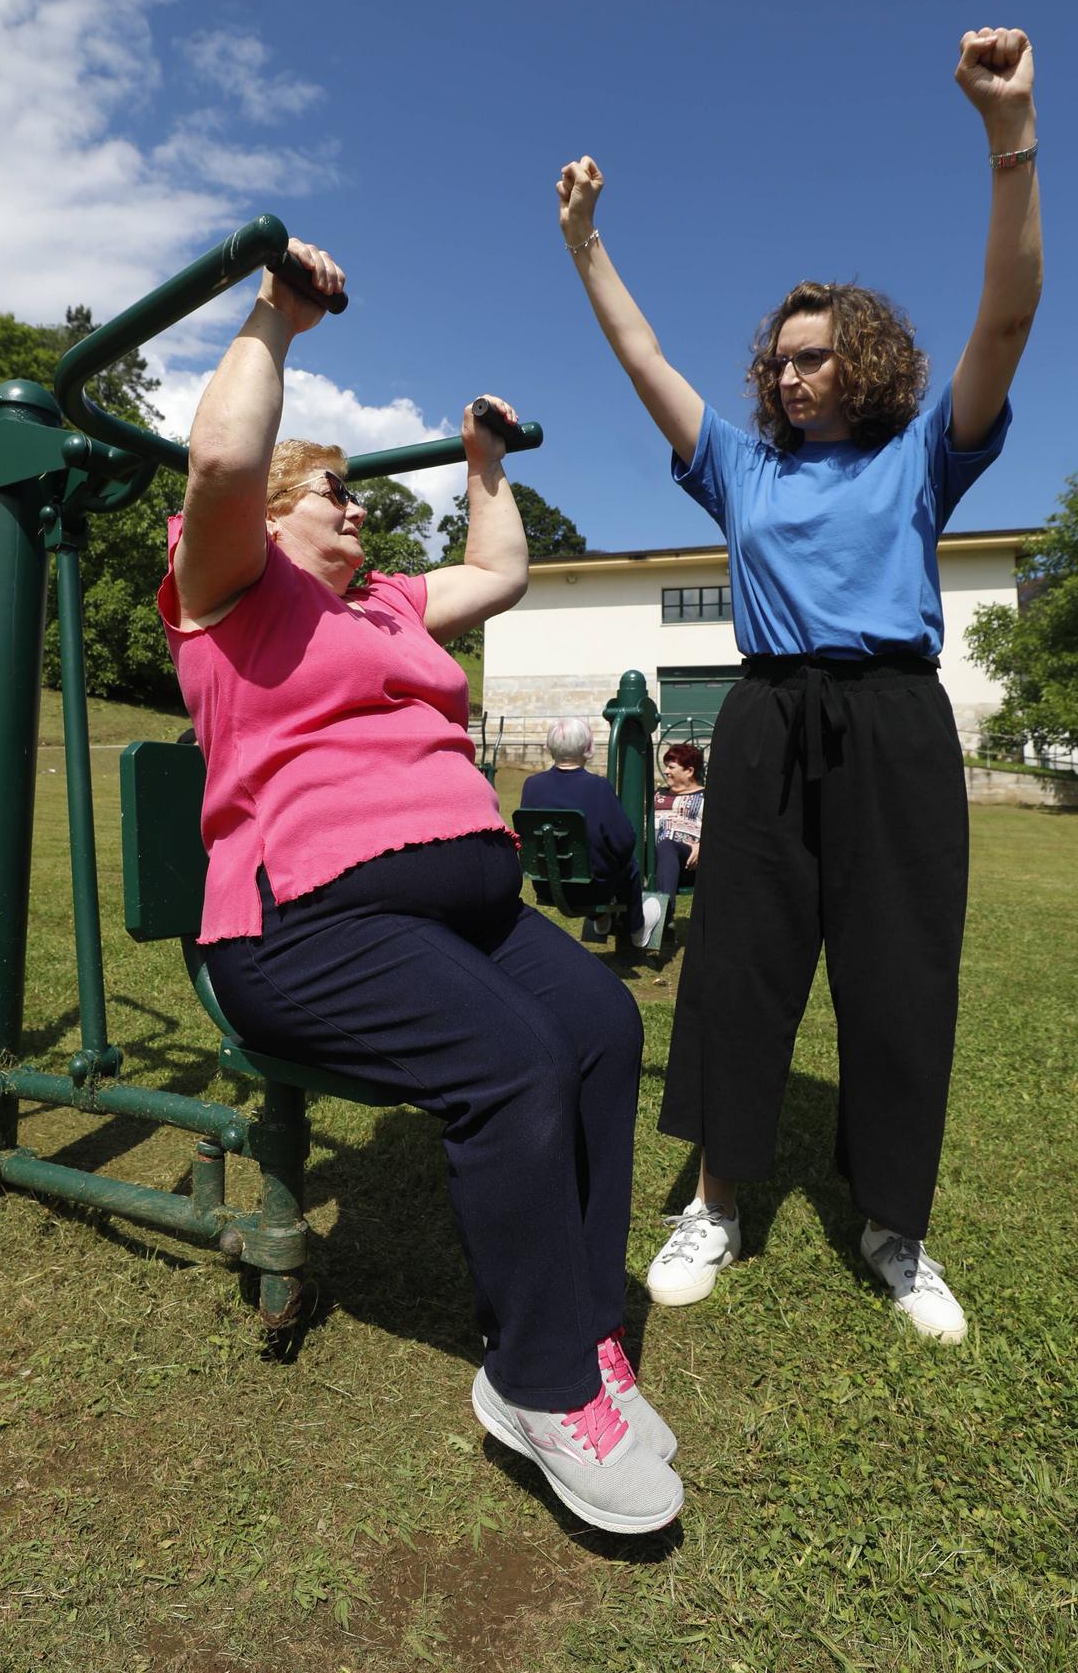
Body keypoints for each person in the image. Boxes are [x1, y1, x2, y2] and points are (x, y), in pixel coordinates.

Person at [157, 243, 683, 1535]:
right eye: (332, 491)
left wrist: (485, 473)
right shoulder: (225, 589)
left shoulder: (387, 605)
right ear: (277, 510)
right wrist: (275, 323)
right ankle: (539, 1383)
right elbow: (220, 462)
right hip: (308, 920)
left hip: (467, 907)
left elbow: (496, 574)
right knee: (509, 1062)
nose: (356, 510)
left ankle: (575, 1319)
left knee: (603, 1029)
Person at [557, 28, 1043, 1346]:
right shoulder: (739, 470)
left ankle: (895, 1227)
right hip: (764, 718)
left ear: (866, 363)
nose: (787, 370)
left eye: (814, 354)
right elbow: (646, 359)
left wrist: (1012, 138)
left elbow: (1005, 314)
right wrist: (588, 245)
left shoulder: (924, 461)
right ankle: (715, 1200)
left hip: (891, 719)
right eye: (777, 357)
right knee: (735, 965)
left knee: (899, 974)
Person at [520, 717, 664, 947]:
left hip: (546, 885)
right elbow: (624, 842)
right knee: (629, 867)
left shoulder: (532, 784)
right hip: (592, 889)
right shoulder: (598, 786)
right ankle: (637, 928)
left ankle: (601, 918)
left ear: (549, 748)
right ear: (588, 749)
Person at [652, 743, 704, 905]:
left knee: (667, 845)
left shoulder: (706, 797)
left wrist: (703, 845)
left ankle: (665, 914)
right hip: (651, 854)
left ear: (689, 771)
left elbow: (723, 831)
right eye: (666, 767)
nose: (666, 771)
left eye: (672, 767)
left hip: (687, 858)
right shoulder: (657, 794)